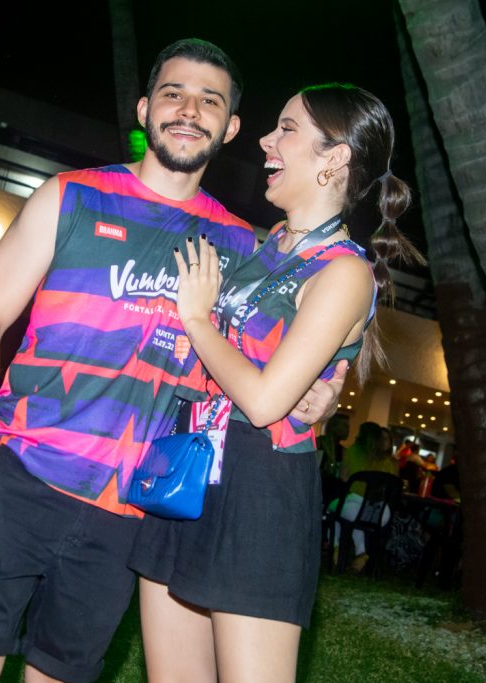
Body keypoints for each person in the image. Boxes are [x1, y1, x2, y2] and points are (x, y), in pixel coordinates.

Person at [0, 38, 346, 683]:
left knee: (59, 675)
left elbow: (272, 355)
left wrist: (324, 396)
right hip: (22, 472)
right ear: (145, 109)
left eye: (209, 101)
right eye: (173, 93)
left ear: (229, 127)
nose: (188, 110)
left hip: (131, 513)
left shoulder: (238, 244)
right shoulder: (70, 196)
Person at [128, 82, 423, 682]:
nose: (266, 139)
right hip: (190, 464)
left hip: (260, 485)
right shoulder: (269, 247)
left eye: (287, 129)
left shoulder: (345, 273)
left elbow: (265, 402)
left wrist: (196, 319)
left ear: (335, 158)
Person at [333, 422, 400, 572]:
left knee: (333, 510)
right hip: (382, 513)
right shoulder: (387, 462)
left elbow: (343, 477)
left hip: (356, 506)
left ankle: (336, 549)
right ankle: (361, 554)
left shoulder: (352, 451)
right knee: (352, 514)